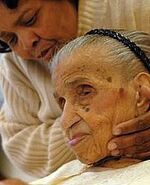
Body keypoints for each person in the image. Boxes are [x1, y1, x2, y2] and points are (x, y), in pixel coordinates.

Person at [0, 0, 150, 179]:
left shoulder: (137, 7)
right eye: (10, 39)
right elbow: (21, 147)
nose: (26, 44)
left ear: (142, 91)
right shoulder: (13, 63)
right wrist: (87, 131)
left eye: (30, 19)